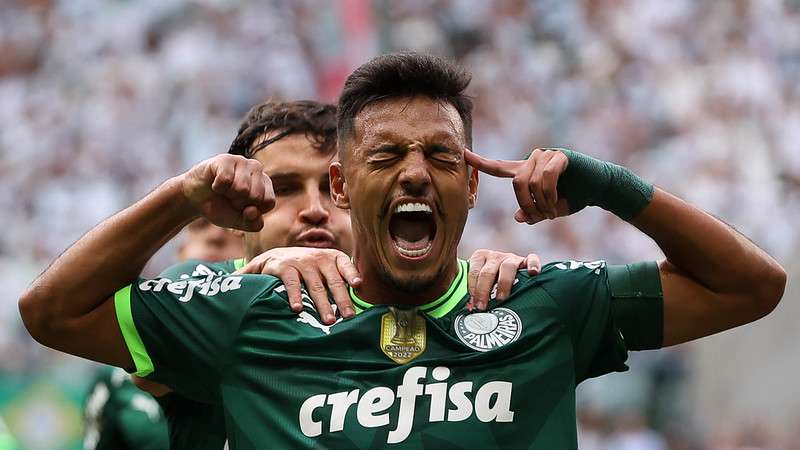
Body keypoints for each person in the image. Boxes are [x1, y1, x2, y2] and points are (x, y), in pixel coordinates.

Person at [18, 53, 785, 449]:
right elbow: (52, 309)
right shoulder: (250, 310)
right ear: (343, 185)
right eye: (386, 157)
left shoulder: (537, 302)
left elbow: (751, 287)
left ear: (474, 189)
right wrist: (183, 197)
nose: (416, 171)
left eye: (443, 157)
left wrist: (608, 184)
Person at [134, 99, 539, 450]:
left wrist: (493, 279)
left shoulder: (425, 301)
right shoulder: (204, 289)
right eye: (286, 188)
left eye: (329, 189)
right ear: (240, 217)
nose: (315, 208)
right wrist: (253, 277)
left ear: (352, 191)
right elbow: (79, 318)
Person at [81, 218, 245, 450]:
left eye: (230, 227)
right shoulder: (116, 379)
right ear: (180, 254)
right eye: (200, 226)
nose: (216, 236)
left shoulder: (276, 347)